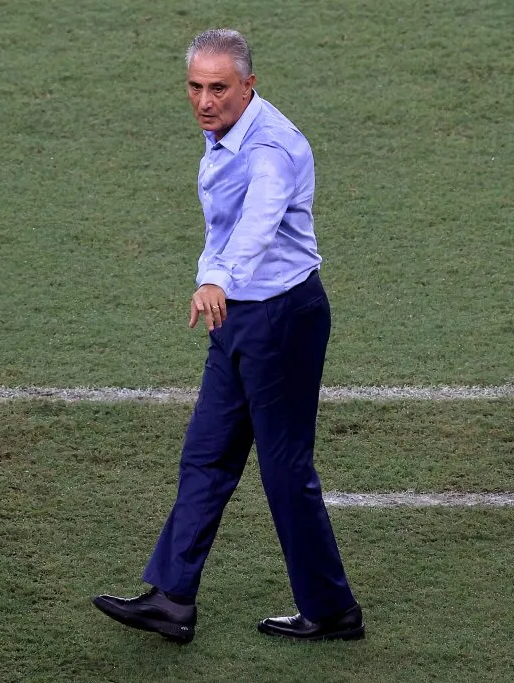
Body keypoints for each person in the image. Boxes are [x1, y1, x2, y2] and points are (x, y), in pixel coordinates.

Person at [92, 28, 363, 644]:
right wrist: (219, 285)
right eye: (195, 87)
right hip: (237, 316)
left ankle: (333, 610)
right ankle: (171, 599)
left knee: (285, 469)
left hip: (281, 318)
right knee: (206, 455)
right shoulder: (226, 133)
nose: (204, 101)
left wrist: (216, 279)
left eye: (219, 88)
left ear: (249, 85)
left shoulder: (269, 147)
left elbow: (260, 221)